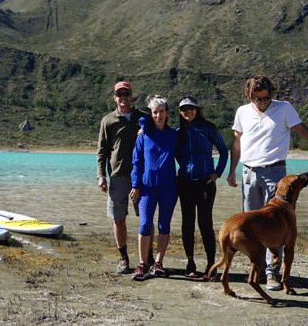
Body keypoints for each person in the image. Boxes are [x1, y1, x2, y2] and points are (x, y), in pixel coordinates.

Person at [227, 76, 308, 291]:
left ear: (270, 93)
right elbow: (237, 142)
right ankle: (258, 270)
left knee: (276, 224)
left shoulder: (285, 108)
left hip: (276, 173)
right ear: (249, 96)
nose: (262, 102)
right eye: (257, 99)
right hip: (249, 172)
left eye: (265, 98)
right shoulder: (242, 112)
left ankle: (273, 274)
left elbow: (302, 131)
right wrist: (232, 170)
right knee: (251, 223)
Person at [97, 81, 154, 274]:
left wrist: (146, 132)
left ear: (131, 96)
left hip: (142, 175)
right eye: (119, 94)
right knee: (118, 218)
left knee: (146, 218)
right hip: (118, 175)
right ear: (115, 97)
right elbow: (102, 150)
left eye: (126, 94)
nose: (123, 97)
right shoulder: (108, 120)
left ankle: (149, 258)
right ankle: (123, 258)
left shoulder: (143, 118)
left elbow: (157, 138)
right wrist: (101, 176)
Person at [175, 96, 228, 281]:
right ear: (180, 112)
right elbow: (176, 154)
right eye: (183, 109)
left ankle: (211, 265)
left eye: (191, 108)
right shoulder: (179, 132)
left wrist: (217, 173)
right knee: (187, 223)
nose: (187, 111)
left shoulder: (209, 128)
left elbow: (223, 150)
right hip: (184, 182)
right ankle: (190, 263)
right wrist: (185, 168)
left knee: (205, 224)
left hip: (205, 183)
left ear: (197, 109)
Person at [130, 95, 178, 281]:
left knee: (163, 225)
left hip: (169, 188)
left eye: (161, 112)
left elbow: (185, 155)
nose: (158, 115)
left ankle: (158, 263)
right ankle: (142, 265)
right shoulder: (144, 136)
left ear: (166, 113)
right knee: (144, 225)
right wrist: (136, 185)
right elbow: (136, 163)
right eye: (155, 112)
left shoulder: (174, 135)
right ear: (151, 114)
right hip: (147, 188)